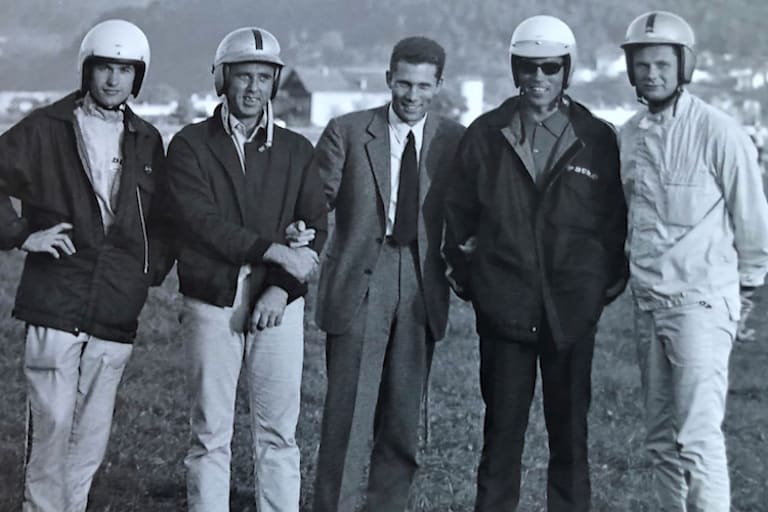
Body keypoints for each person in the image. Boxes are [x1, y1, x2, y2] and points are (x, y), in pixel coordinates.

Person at [443, 15, 628, 512]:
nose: (538, 77)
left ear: (566, 70)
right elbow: (456, 218)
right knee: (501, 436)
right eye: (528, 67)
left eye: (550, 67)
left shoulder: (597, 137)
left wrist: (593, 292)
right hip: (504, 309)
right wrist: (477, 284)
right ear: (514, 69)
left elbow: (614, 225)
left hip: (571, 314)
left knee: (571, 439)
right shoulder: (485, 134)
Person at [0, 19, 169, 512]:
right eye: (104, 68)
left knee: (91, 435)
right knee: (50, 426)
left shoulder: (147, 140)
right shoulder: (45, 127)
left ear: (137, 77)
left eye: (124, 70)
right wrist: (20, 235)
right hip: (57, 296)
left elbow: (163, 219)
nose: (113, 80)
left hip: (116, 304)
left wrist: (146, 269)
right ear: (86, 70)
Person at [165, 26, 327, 512]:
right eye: (243, 76)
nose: (253, 88)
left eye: (263, 76)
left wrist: (280, 289)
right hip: (212, 298)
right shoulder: (190, 145)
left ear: (274, 83)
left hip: (278, 303)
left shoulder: (297, 150)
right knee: (210, 431)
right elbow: (201, 223)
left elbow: (313, 227)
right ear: (222, 79)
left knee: (279, 432)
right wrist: (275, 251)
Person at [618, 11, 768, 511]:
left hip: (700, 305)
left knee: (697, 438)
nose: (652, 74)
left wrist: (743, 292)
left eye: (662, 63)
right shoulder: (628, 136)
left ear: (685, 66)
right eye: (642, 65)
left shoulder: (720, 131)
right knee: (660, 442)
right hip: (647, 304)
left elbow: (752, 218)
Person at [310, 36, 464, 512]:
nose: (412, 95)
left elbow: (469, 212)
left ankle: (385, 506)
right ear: (387, 80)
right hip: (362, 280)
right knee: (349, 417)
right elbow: (315, 203)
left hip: (421, 282)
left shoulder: (454, 140)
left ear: (438, 85)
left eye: (423, 85)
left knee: (402, 418)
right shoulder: (349, 131)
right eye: (403, 83)